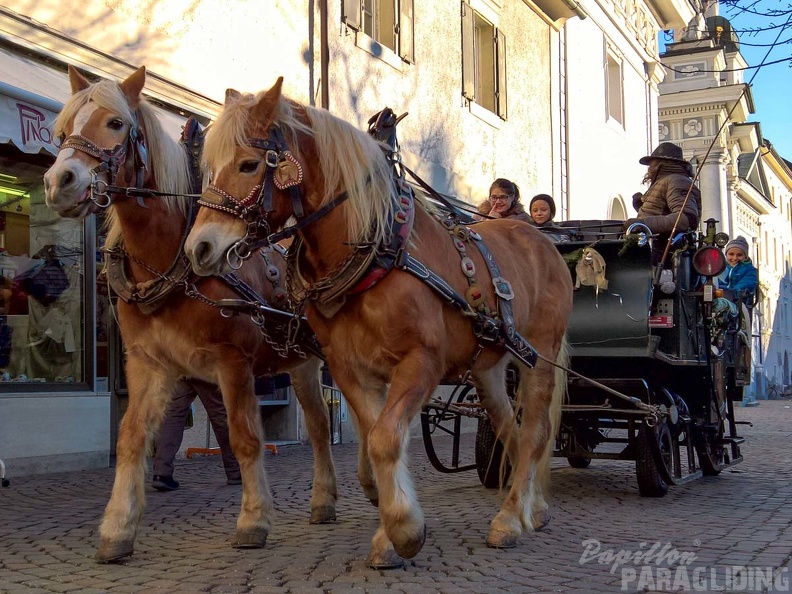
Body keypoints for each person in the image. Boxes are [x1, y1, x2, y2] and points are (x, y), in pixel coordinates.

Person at [152, 378, 241, 491]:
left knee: (173, 414)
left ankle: (161, 473)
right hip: (204, 366)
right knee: (220, 415)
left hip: (180, 365)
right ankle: (235, 471)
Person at [624, 142, 702, 265]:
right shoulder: (665, 181)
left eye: (652, 164)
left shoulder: (677, 180)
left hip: (660, 252)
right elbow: (661, 212)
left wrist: (642, 223)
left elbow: (686, 219)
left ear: (662, 164)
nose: (649, 168)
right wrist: (640, 208)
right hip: (651, 247)